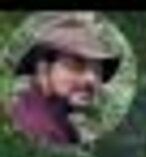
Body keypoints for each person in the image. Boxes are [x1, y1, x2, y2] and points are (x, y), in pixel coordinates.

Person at [8, 13, 122, 149]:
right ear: (43, 69)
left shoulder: (58, 123)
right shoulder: (41, 127)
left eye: (97, 70)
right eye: (76, 65)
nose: (92, 79)